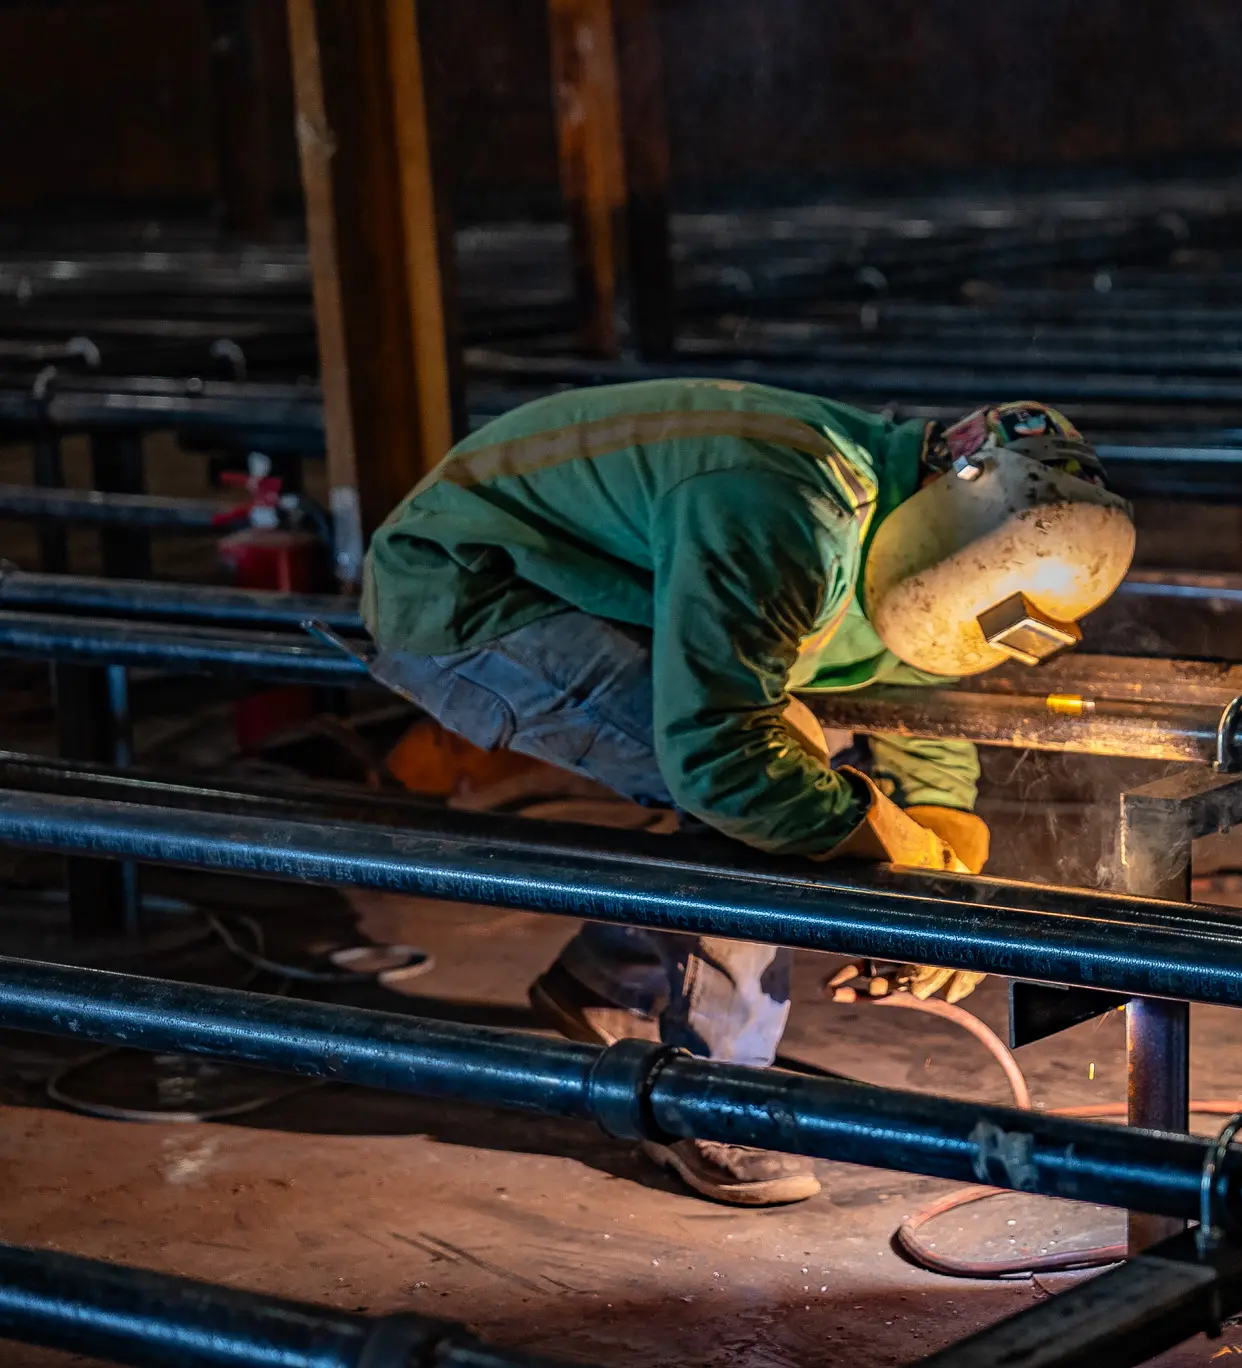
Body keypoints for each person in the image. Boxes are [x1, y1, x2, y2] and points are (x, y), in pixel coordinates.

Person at [359, 378, 1135, 1205]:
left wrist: (939, 860)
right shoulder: (791, 510)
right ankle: (712, 1100)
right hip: (471, 585)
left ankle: (608, 981)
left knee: (790, 779)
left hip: (604, 579)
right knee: (764, 786)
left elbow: (920, 687)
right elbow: (721, 757)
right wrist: (883, 845)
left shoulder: (925, 517)